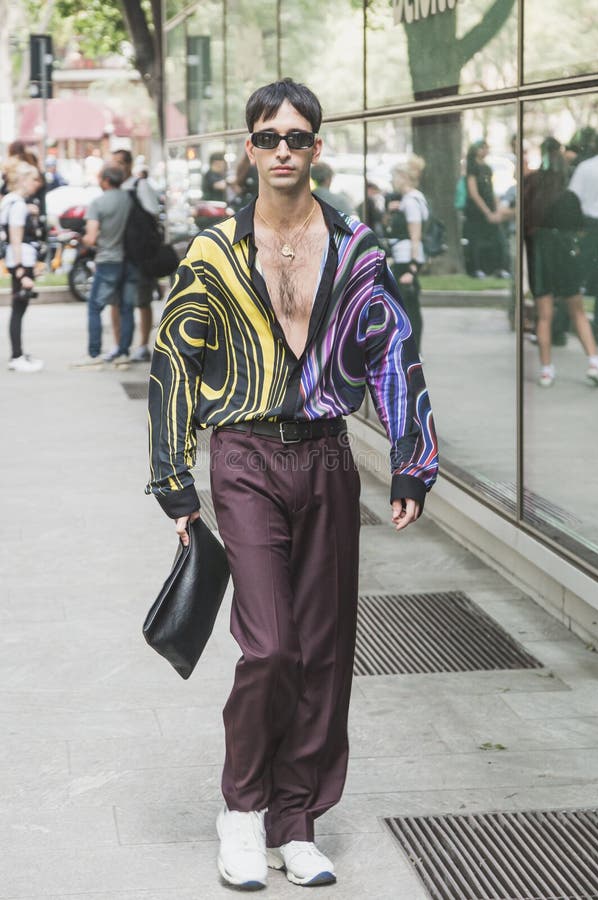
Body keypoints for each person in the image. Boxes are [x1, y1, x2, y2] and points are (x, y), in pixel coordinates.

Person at [146, 78, 438, 890]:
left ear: (317, 146)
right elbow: (174, 362)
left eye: (297, 137)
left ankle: (297, 819)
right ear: (249, 148)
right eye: (269, 136)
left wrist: (413, 456)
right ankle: (242, 811)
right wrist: (173, 481)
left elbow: (391, 353)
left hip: (327, 457)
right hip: (243, 454)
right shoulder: (213, 252)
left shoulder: (356, 247)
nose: (283, 150)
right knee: (270, 644)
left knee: (325, 652)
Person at [524, 137, 598, 387]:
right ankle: (594, 361)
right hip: (566, 247)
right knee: (576, 307)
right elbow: (575, 216)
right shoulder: (567, 191)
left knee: (544, 313)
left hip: (541, 248)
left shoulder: (533, 184)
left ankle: (547, 369)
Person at [70, 165, 137, 369]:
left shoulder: (98, 203)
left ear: (106, 181)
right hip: (130, 260)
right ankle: (123, 354)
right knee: (127, 308)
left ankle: (94, 354)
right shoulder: (129, 199)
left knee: (94, 307)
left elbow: (90, 237)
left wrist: (86, 240)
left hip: (108, 260)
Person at [111, 148, 161, 363]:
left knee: (142, 300)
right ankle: (119, 346)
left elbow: (153, 214)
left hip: (138, 255)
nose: (116, 167)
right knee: (115, 302)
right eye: (113, 163)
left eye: (120, 163)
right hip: (116, 254)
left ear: (129, 164)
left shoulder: (140, 186)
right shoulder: (111, 188)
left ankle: (142, 345)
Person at [0, 162, 44, 372]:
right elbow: (16, 238)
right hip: (20, 261)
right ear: (23, 180)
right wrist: (19, 269)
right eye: (33, 179)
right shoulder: (17, 204)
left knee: (19, 308)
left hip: (18, 260)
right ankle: (16, 356)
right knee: (18, 309)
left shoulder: (11, 202)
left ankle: (18, 354)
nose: (36, 184)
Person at [383, 161, 429, 355]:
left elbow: (415, 234)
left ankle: (413, 349)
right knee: (407, 304)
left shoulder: (411, 201)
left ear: (404, 177)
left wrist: (412, 266)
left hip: (406, 259)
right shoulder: (412, 199)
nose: (392, 181)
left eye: (394, 177)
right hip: (406, 257)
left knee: (408, 305)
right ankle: (410, 348)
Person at [463, 140, 510, 279]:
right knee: (476, 239)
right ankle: (477, 268)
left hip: (490, 206)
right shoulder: (472, 168)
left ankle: (499, 267)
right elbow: (473, 192)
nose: (486, 150)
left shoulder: (488, 168)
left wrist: (497, 208)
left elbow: (491, 189)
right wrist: (486, 211)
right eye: (483, 148)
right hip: (477, 211)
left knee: (497, 238)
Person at [569, 134, 598, 343]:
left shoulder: (586, 167)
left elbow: (572, 199)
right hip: (590, 224)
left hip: (588, 226)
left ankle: (564, 321)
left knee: (574, 275)